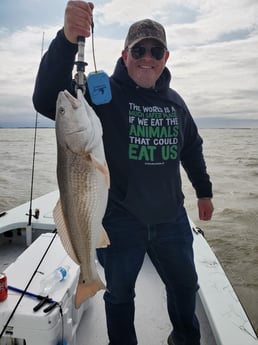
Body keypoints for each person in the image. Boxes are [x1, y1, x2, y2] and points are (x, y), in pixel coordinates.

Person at [33, 2, 214, 344]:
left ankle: (184, 340)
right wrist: (67, 38)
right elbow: (47, 99)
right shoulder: (102, 95)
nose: (148, 57)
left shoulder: (175, 103)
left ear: (165, 57)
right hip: (119, 221)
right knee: (118, 296)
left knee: (185, 287)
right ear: (125, 53)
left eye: (155, 50)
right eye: (139, 49)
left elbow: (191, 147)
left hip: (170, 219)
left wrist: (203, 191)